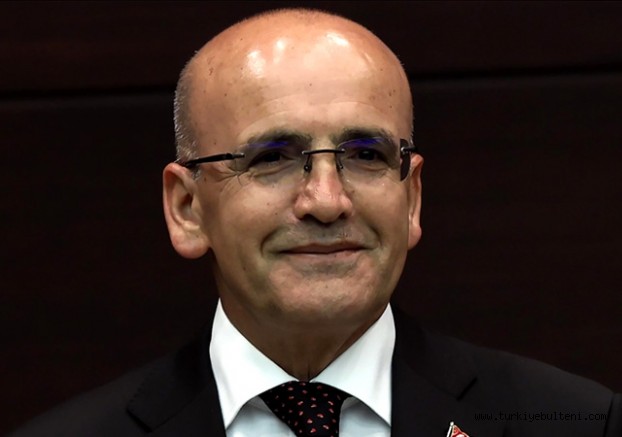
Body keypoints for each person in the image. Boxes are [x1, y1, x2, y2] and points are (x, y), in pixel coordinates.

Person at [10, 8, 621, 437]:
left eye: (366, 155)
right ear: (187, 209)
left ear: (411, 199)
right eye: (272, 158)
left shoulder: (580, 424)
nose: (326, 202)